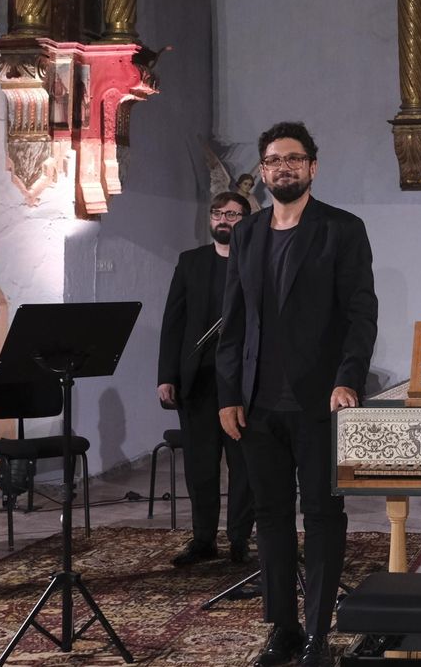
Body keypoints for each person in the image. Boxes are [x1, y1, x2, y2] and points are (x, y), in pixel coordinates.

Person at [216, 122, 378, 667]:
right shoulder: (247, 234)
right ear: (262, 172)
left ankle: (318, 635)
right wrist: (229, 393)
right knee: (271, 517)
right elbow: (233, 322)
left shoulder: (342, 229)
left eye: (293, 158)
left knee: (324, 516)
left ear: (312, 165)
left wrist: (348, 377)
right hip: (259, 403)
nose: (283, 167)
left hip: (319, 400)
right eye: (273, 160)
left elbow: (361, 312)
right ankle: (282, 628)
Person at [158, 192, 255, 569]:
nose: (224, 220)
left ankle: (239, 539)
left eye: (232, 214)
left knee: (243, 464)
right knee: (200, 465)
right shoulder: (191, 262)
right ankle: (203, 539)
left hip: (244, 382)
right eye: (218, 213)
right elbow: (173, 322)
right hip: (197, 379)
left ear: (246, 219)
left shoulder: (254, 263)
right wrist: (166, 375)